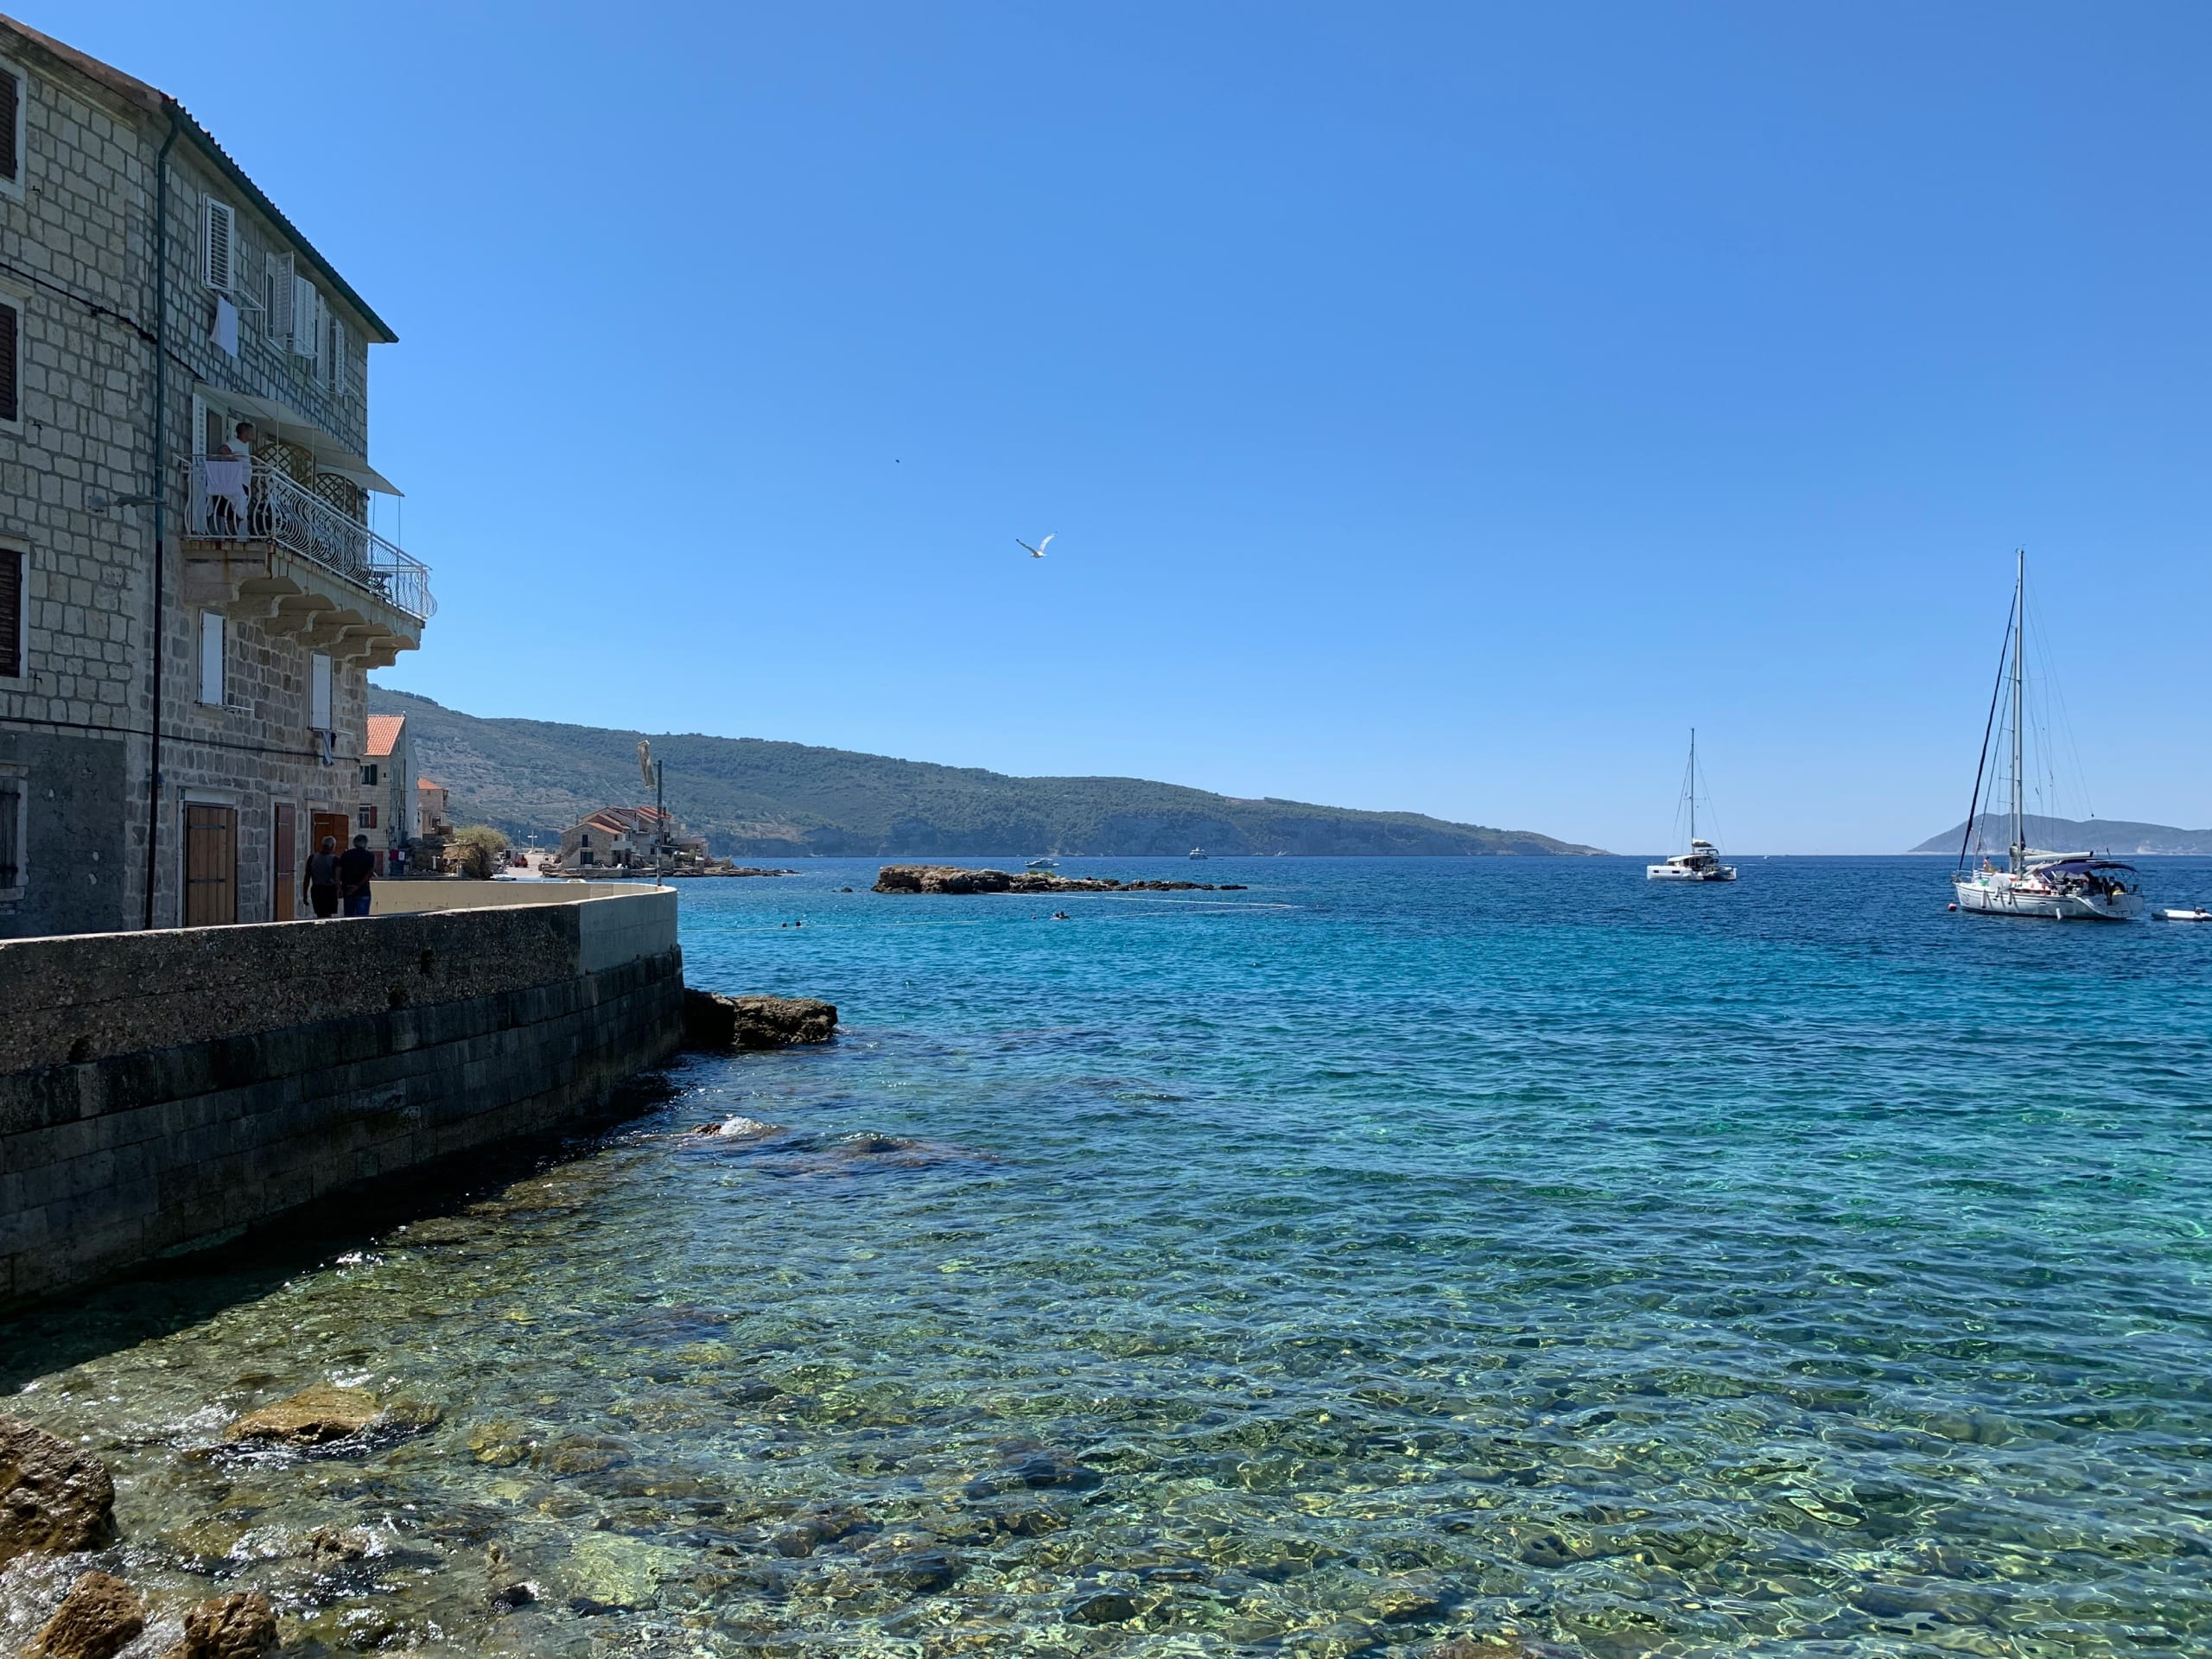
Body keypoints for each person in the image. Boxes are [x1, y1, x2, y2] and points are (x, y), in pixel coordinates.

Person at [337, 833, 376, 917]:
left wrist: (339, 887)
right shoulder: (369, 856)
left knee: (349, 919)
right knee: (362, 920)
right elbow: (370, 873)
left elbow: (338, 871)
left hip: (348, 890)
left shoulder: (346, 855)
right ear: (365, 844)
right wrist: (357, 886)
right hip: (363, 891)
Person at [303, 836, 340, 918]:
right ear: (332, 845)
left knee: (319, 914)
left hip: (317, 889)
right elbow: (337, 877)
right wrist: (339, 890)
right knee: (328, 915)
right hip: (330, 889)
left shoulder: (312, 858)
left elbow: (307, 877)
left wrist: (305, 893)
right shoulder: (335, 859)